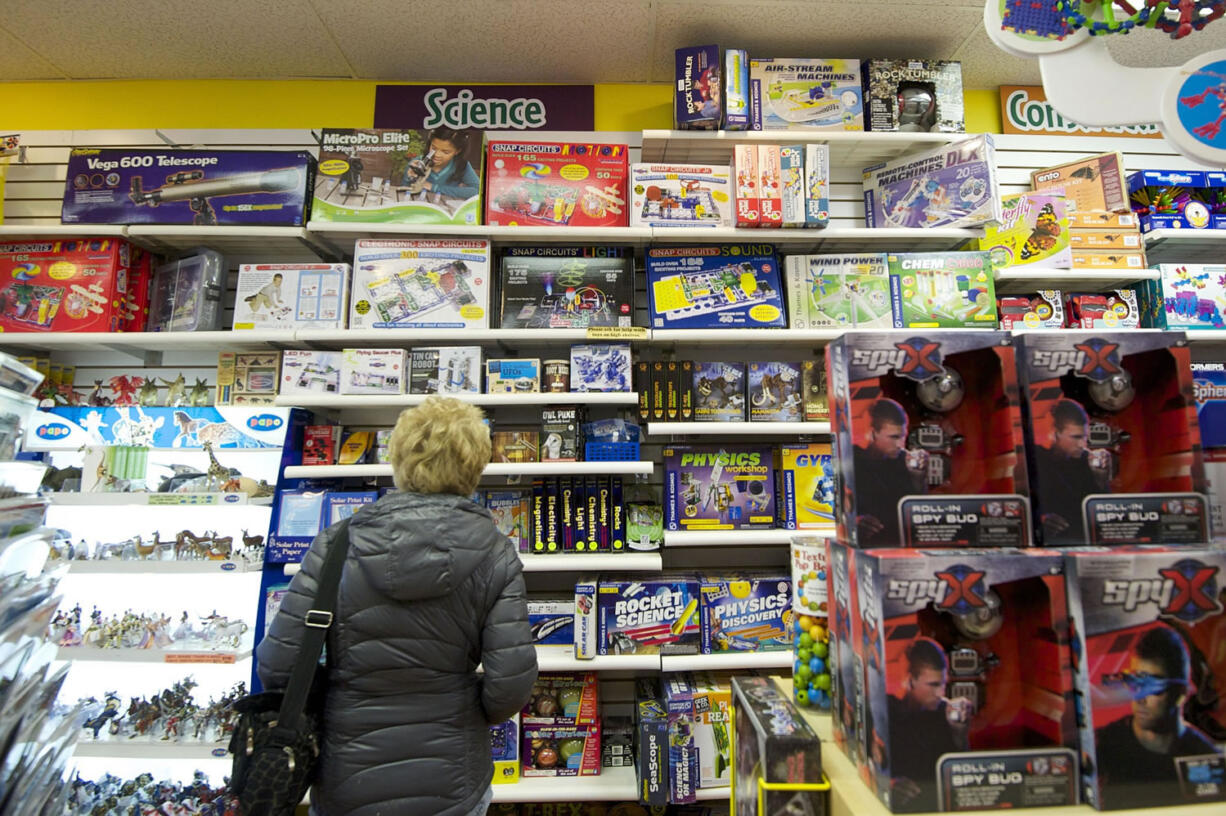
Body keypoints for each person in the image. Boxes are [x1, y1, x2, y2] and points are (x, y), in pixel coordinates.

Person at [257, 396, 537, 816]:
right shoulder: (496, 553)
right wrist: (454, 702)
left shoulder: (337, 544)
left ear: (399, 457)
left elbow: (278, 667)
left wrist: (343, 694)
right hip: (451, 780)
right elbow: (509, 689)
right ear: (478, 464)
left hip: (346, 776)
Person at [1093, 626, 1222, 808]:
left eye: (1152, 688)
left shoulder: (1205, 757)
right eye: (1134, 682)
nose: (1139, 698)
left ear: (1181, 694)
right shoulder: (1100, 746)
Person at [886, 638, 971, 812]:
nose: (941, 693)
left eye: (943, 684)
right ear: (910, 681)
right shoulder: (886, 711)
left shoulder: (945, 716)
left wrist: (959, 733)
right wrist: (888, 784)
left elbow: (962, 775)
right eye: (933, 685)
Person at [1032, 398, 1104, 544]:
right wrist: (1039, 520)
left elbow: (1102, 514)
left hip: (1082, 541)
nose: (1082, 444)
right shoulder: (1034, 459)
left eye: (1084, 437)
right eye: (1076, 437)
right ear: (1055, 433)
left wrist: (1101, 479)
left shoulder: (1087, 462)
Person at [852, 399, 923, 546]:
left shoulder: (904, 462)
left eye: (903, 436)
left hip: (899, 547)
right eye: (894, 437)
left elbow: (919, 516)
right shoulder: (849, 459)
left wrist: (918, 478)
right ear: (873, 434)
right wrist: (853, 522)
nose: (900, 444)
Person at [402, 126, 480, 201]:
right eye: (433, 148)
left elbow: (477, 190)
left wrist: (434, 187)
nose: (437, 155)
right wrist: (409, 176)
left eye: (445, 152)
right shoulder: (418, 162)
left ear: (457, 151)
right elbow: (405, 189)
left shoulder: (462, 165)